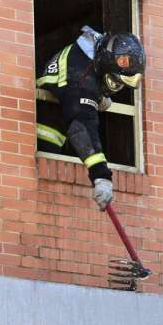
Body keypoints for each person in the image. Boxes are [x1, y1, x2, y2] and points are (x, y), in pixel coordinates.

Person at [36, 26, 145, 210]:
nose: (114, 88)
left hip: (53, 124)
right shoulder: (81, 78)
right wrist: (101, 175)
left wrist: (98, 95)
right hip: (43, 138)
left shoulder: (89, 54)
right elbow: (82, 125)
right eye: (114, 82)